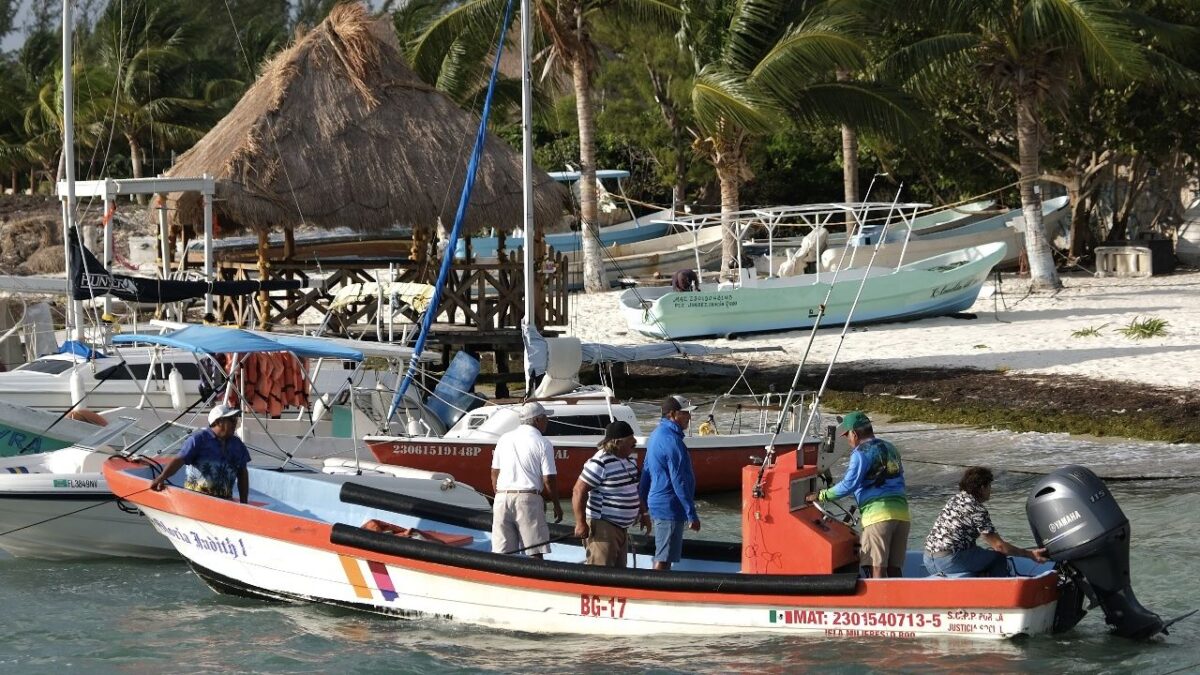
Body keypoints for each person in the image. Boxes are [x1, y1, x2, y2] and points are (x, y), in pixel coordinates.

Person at [806, 411, 910, 578]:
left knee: (876, 567)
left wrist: (820, 495)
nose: (848, 440)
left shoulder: (861, 453)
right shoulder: (890, 447)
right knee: (894, 569)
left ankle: (878, 604)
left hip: (878, 517)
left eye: (847, 435)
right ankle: (897, 604)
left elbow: (849, 485)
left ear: (854, 433)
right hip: (902, 515)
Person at [923, 466, 1050, 577]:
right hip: (949, 561)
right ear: (982, 487)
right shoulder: (977, 509)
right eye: (989, 486)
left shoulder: (955, 499)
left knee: (983, 552)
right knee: (998, 557)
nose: (991, 490)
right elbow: (999, 546)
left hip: (928, 559)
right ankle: (1000, 596)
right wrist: (1029, 554)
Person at [491, 401, 563, 558]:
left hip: (502, 498)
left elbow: (495, 472)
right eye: (545, 417)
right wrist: (557, 505)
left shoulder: (504, 439)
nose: (547, 421)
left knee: (502, 554)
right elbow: (549, 479)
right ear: (537, 420)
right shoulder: (543, 443)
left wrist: (498, 495)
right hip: (528, 499)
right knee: (535, 552)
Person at [572, 420, 649, 567]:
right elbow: (578, 491)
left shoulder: (629, 460)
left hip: (622, 528)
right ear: (618, 442)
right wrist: (581, 523)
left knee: (618, 575)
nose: (634, 442)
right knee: (601, 573)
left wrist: (644, 514)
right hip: (603, 527)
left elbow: (633, 489)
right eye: (630, 439)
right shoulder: (600, 462)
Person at [639, 394, 701, 571]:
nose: (689, 417)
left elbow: (646, 473)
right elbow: (679, 480)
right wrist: (691, 514)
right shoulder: (672, 441)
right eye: (685, 413)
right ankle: (654, 594)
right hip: (670, 507)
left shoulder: (656, 435)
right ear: (673, 414)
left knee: (664, 555)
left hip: (659, 504)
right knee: (664, 558)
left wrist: (642, 507)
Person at [149, 403, 251, 503]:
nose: (235, 423)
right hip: (195, 500)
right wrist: (161, 477)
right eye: (232, 420)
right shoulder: (198, 439)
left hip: (225, 503)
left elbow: (242, 473)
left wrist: (244, 503)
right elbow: (179, 460)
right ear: (219, 421)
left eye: (236, 419)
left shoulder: (238, 444)